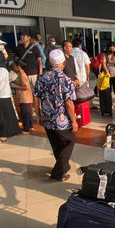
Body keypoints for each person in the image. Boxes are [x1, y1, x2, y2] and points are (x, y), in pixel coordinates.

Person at [34, 49, 78, 181]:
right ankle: (58, 173)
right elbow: (69, 103)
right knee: (69, 141)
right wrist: (74, 121)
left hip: (47, 117)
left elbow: (36, 97)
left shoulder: (42, 77)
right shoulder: (65, 80)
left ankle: (63, 166)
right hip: (61, 120)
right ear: (63, 63)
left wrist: (38, 114)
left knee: (56, 143)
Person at [10, 59, 33, 135]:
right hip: (26, 97)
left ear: (18, 67)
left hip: (24, 97)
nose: (13, 67)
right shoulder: (21, 74)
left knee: (25, 113)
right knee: (28, 113)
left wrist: (14, 85)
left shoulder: (22, 75)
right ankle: (30, 126)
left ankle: (26, 129)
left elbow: (25, 87)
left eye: (14, 66)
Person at [102, 43, 115, 110]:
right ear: (108, 48)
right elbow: (103, 64)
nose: (112, 50)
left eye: (113, 48)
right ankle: (110, 105)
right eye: (110, 48)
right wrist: (107, 71)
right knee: (108, 91)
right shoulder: (105, 55)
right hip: (108, 76)